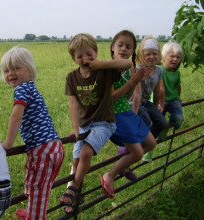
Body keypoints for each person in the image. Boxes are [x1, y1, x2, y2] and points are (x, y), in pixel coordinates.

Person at [59, 33, 132, 213]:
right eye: (80, 56)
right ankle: (75, 198)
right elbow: (73, 103)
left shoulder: (105, 71)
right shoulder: (71, 77)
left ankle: (73, 188)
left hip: (104, 122)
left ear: (96, 52)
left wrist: (100, 64)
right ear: (74, 59)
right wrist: (76, 129)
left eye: (89, 54)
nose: (85, 59)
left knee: (85, 153)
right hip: (85, 124)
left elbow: (128, 64)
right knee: (76, 160)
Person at [0, 46, 64, 220]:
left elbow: (16, 115)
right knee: (40, 185)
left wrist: (7, 143)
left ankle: (36, 216)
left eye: (16, 68)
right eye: (6, 70)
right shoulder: (32, 88)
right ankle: (33, 210)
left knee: (37, 188)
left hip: (41, 148)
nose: (11, 73)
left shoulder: (21, 89)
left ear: (30, 71)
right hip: (54, 146)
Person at [100, 30, 157, 196]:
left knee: (151, 143)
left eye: (128, 46)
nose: (124, 49)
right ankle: (109, 175)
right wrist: (132, 81)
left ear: (133, 51)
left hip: (127, 112)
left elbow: (127, 96)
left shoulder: (129, 69)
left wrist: (135, 81)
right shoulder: (108, 70)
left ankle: (125, 165)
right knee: (138, 152)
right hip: (115, 115)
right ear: (112, 48)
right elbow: (110, 98)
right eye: (120, 45)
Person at [130, 36, 168, 162]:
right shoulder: (138, 69)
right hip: (134, 102)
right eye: (148, 54)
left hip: (146, 102)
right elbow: (137, 94)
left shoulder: (158, 71)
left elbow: (157, 91)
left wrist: (156, 108)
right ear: (141, 55)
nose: (151, 57)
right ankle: (133, 146)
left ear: (159, 55)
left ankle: (142, 145)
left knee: (162, 122)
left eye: (155, 54)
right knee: (145, 120)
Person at [158, 40, 184, 140]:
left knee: (179, 118)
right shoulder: (159, 70)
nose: (175, 59)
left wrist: (178, 99)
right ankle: (148, 151)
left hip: (173, 99)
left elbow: (178, 87)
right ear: (163, 57)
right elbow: (160, 89)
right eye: (172, 56)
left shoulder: (177, 73)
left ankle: (166, 128)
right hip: (160, 100)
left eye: (178, 57)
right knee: (155, 122)